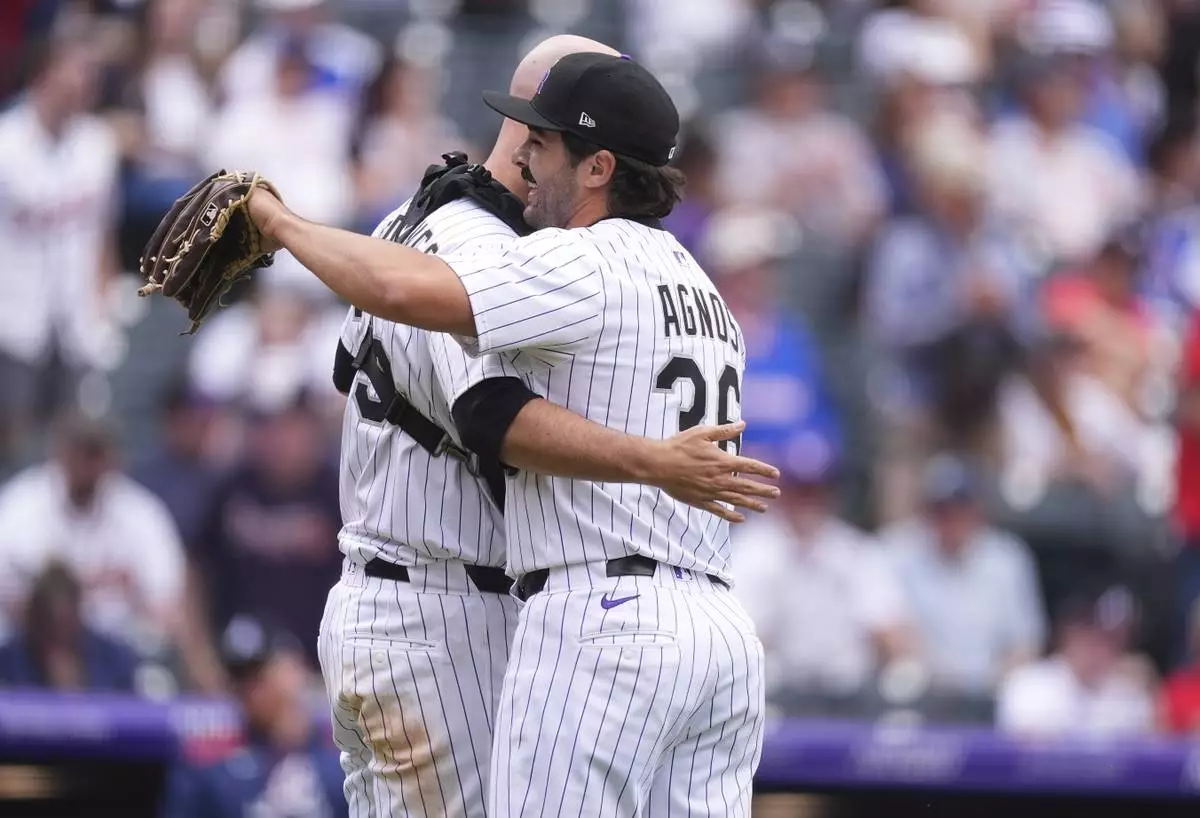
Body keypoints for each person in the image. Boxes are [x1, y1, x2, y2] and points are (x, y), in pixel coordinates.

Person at [245, 49, 771, 817]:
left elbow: (401, 291)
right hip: (719, 634)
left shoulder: (582, 261)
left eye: (545, 143)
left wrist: (278, 222)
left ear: (598, 167)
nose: (526, 158)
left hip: (602, 616)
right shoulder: (705, 291)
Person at [0, 413, 217, 691]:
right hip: (26, 646)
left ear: (113, 457)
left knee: (153, 665)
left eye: (95, 453)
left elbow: (167, 605)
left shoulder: (141, 512)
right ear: (59, 452)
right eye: (80, 452)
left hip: (116, 652)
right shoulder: (20, 506)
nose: (87, 465)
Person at [0, 29, 121, 472]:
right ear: (41, 76)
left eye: (87, 72)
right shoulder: (6, 144)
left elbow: (103, 230)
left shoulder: (97, 144)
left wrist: (105, 302)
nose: (83, 81)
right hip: (11, 320)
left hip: (75, 320)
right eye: (73, 70)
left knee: (71, 441)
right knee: (11, 445)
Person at [880, 453, 1047, 698]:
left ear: (977, 510)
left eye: (960, 507)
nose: (950, 519)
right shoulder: (896, 551)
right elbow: (889, 630)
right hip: (921, 690)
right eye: (941, 509)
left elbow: (1025, 644)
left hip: (991, 692)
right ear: (925, 511)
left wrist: (991, 691)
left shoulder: (1007, 558)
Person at [161, 615, 346, 818]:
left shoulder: (342, 748)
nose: (249, 689)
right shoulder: (208, 761)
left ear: (295, 668)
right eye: (239, 677)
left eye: (259, 673)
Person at [998, 587, 1157, 738]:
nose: (1098, 651)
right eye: (1089, 639)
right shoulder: (1030, 685)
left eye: (1108, 641)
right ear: (1067, 637)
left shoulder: (1127, 695)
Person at [0, 560, 140, 692]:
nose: (59, 635)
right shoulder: (9, 660)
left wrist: (75, 688)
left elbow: (128, 705)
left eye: (65, 623)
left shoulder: (114, 659)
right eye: (51, 626)